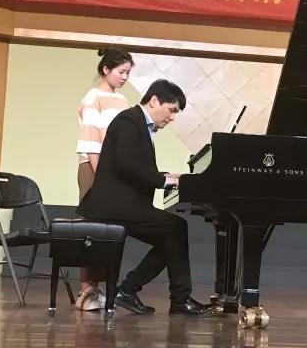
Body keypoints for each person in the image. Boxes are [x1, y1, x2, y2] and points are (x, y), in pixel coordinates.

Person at [77, 79, 213, 316]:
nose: (172, 118)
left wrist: (167, 176)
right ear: (154, 101)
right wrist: (165, 180)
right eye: (171, 110)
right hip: (115, 206)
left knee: (172, 236)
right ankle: (174, 299)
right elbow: (126, 165)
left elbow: (135, 166)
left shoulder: (137, 123)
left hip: (124, 204)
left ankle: (129, 291)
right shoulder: (128, 121)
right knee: (176, 229)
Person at [75, 48, 133, 311]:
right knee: (92, 228)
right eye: (121, 72)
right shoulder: (92, 98)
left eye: (128, 73)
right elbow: (90, 141)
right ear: (105, 69)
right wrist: (103, 178)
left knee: (110, 230)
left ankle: (102, 288)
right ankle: (86, 290)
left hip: (114, 171)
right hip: (94, 168)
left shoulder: (122, 100)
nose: (125, 77)